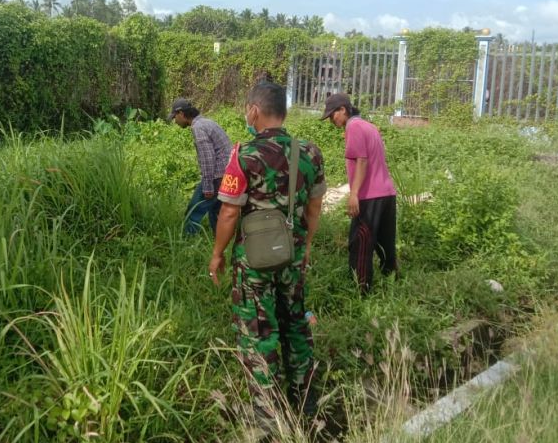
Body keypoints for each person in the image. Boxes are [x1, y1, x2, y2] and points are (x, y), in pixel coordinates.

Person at [209, 82, 326, 421]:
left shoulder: (243, 155)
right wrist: (305, 245)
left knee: (258, 331)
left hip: (254, 263)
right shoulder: (310, 153)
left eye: (248, 110)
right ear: (284, 114)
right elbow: (315, 208)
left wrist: (217, 253)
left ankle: (266, 411)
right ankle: (305, 398)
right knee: (295, 324)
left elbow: (230, 212)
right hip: (292, 256)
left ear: (254, 111)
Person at [322, 92, 397, 293]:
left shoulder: (353, 126)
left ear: (343, 110)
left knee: (360, 243)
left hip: (370, 196)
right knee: (385, 242)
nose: (331, 120)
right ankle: (393, 282)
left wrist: (354, 194)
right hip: (387, 193)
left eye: (332, 115)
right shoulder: (369, 126)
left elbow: (362, 160)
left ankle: (360, 290)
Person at [169, 98, 232, 235]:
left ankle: (188, 242)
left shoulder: (198, 128)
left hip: (217, 176)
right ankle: (221, 238)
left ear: (181, 113)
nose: (175, 121)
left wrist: (208, 186)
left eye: (175, 117)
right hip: (227, 173)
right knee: (216, 209)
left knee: (194, 209)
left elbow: (208, 159)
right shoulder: (206, 122)